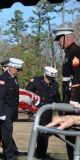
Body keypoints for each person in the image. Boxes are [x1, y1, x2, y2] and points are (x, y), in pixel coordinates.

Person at [53, 27, 80, 160]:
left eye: (58, 39)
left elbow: (77, 81)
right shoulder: (69, 53)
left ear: (66, 37)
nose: (57, 42)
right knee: (69, 134)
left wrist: (73, 102)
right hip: (68, 99)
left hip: (74, 102)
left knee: (73, 133)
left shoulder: (75, 53)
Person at [25, 66, 61, 159]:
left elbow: (57, 99)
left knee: (46, 133)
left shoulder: (55, 84)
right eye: (48, 78)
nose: (49, 80)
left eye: (51, 78)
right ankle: (34, 152)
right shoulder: (36, 81)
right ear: (44, 74)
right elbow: (27, 94)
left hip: (48, 112)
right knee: (39, 132)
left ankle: (41, 152)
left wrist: (62, 114)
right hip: (37, 111)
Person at [0, 58, 24, 160]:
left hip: (11, 111)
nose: (18, 72)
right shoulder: (3, 79)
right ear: (11, 67)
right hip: (4, 112)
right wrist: (1, 113)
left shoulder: (13, 78)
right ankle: (9, 156)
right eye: (17, 69)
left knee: (7, 133)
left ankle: (7, 154)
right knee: (7, 134)